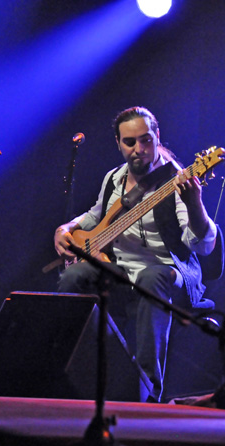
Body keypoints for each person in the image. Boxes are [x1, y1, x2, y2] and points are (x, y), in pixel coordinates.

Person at [53, 106, 218, 402]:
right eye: (130, 142)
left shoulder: (175, 180)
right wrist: (66, 228)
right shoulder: (113, 178)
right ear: (118, 143)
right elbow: (94, 215)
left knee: (152, 277)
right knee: (73, 276)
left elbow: (203, 246)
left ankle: (146, 395)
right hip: (119, 271)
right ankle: (74, 376)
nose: (139, 149)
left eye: (146, 140)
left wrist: (195, 203)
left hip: (169, 274)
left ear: (157, 137)